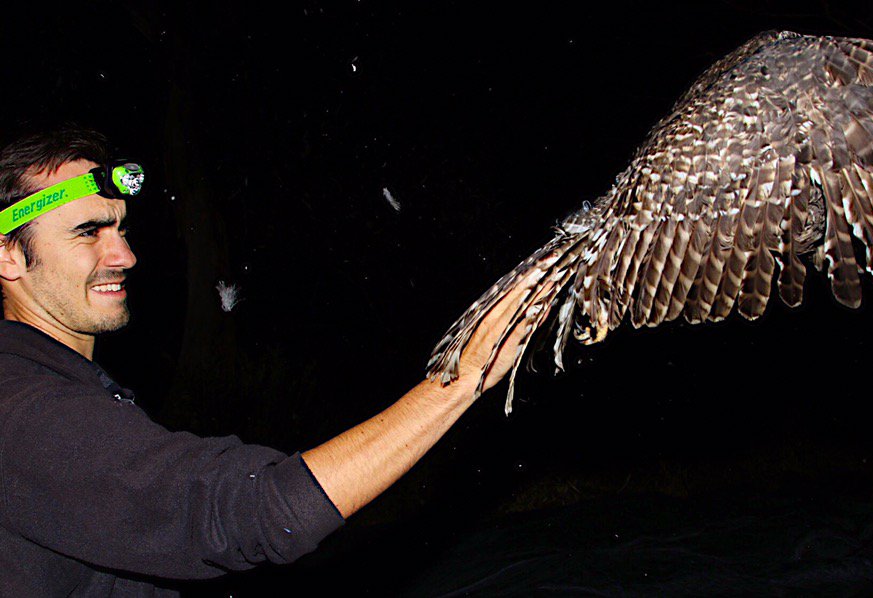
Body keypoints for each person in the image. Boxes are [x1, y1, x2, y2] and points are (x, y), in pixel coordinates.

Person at [0, 128, 535, 596]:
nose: (125, 256)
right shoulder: (25, 411)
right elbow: (250, 513)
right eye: (87, 231)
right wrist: (461, 378)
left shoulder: (57, 383)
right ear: (8, 254)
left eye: (121, 229)